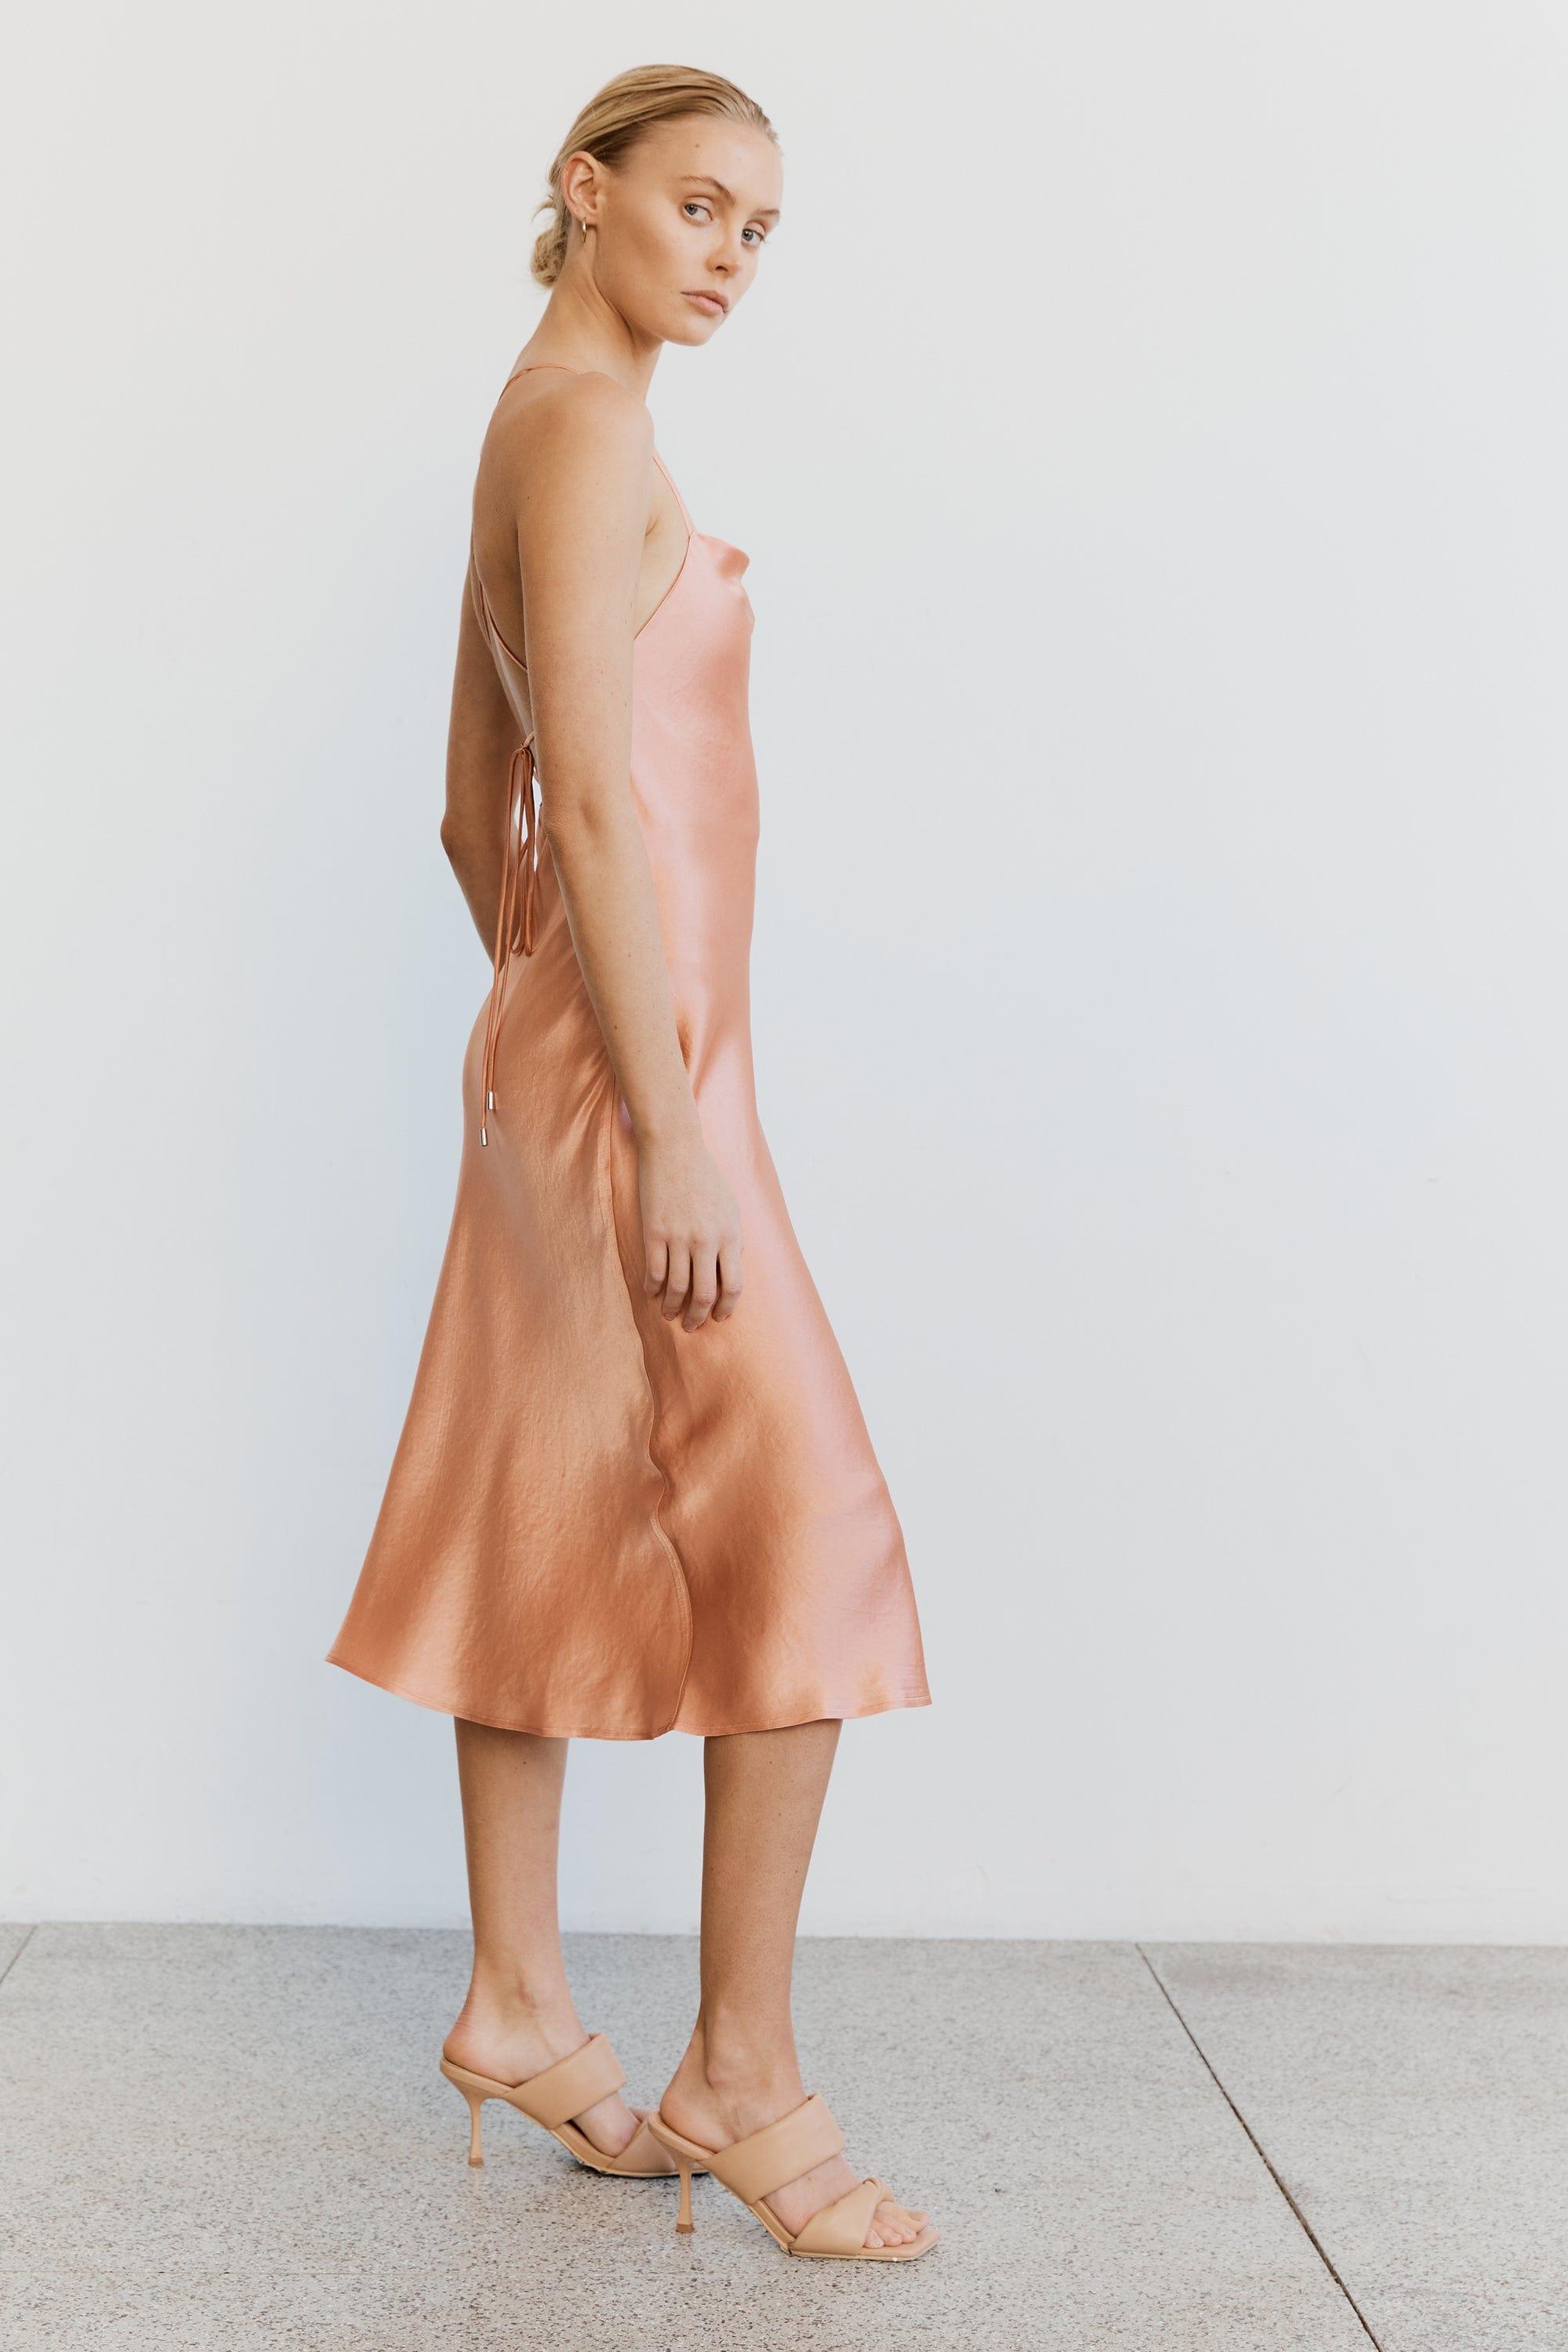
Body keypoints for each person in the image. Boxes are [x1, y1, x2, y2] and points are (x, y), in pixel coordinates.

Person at [327, 63, 936, 2262]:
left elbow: (460, 800)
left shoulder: (540, 419)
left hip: (572, 1064)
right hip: (644, 1092)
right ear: (584, 190)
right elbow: (574, 800)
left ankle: (517, 2000)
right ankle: (741, 2076)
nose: (730, 255)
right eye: (697, 204)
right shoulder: (585, 434)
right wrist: (655, 1119)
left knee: (548, 1490)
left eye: (760, 228)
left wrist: (544, 1041)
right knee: (819, 1525)